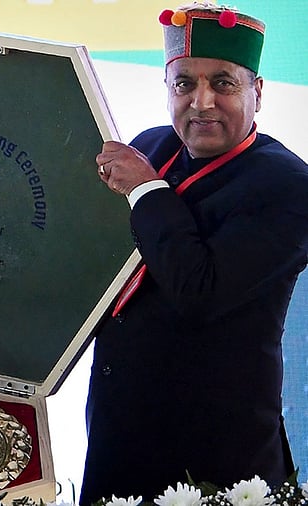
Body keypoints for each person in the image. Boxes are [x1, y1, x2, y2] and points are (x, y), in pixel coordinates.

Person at [80, 3, 308, 504]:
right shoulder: (151, 147)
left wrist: (145, 191)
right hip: (117, 436)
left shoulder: (288, 185)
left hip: (218, 456)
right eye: (184, 84)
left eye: (223, 83)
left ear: (258, 92)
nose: (201, 102)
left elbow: (200, 291)